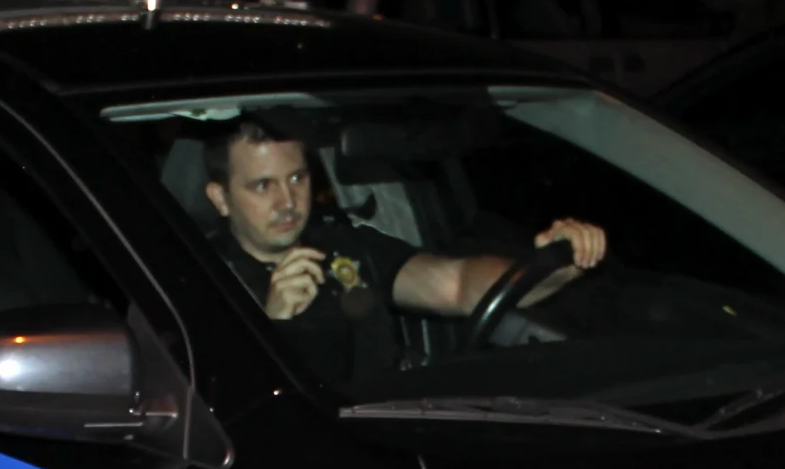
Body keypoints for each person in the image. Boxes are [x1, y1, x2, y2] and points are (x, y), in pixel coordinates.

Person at [199, 115, 607, 387]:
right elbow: (218, 411)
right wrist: (273, 324)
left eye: (297, 178)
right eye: (263, 186)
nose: (288, 202)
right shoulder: (200, 278)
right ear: (220, 198)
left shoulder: (346, 247)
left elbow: (458, 284)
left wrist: (556, 266)